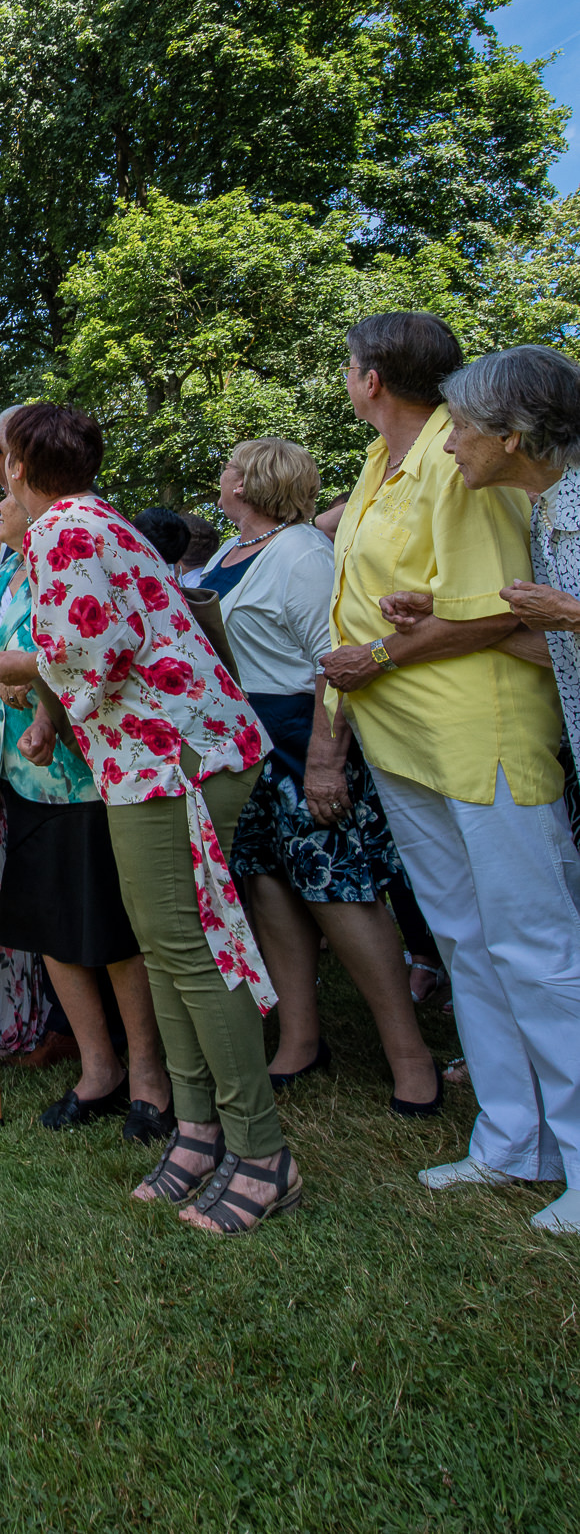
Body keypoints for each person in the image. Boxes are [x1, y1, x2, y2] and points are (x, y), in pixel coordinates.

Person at [6, 402, 299, 1236]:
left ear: (15, 468)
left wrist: (25, 667)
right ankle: (200, 1131)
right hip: (161, 759)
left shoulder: (62, 530)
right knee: (170, 955)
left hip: (172, 759)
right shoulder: (97, 519)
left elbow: (88, 660)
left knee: (194, 955)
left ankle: (263, 1153)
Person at [365, 341, 580, 1234]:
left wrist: (566, 613)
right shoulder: (541, 511)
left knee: (540, 948)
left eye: (469, 428)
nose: (453, 444)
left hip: (497, 743)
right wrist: (443, 616)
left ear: (516, 433)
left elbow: (551, 628)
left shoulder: (566, 507)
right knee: (482, 944)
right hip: (433, 736)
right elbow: (538, 643)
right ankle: (514, 1140)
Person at [200, 438, 439, 1110]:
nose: (221, 475)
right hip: (244, 739)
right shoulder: (226, 552)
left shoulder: (301, 554)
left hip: (303, 738)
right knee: (270, 889)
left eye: (228, 465)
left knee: (339, 893)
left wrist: (326, 762)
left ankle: (409, 1058)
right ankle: (301, 1040)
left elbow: (334, 661)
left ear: (248, 481)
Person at [0, 481, 173, 1134]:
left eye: (6, 497)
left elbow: (89, 659)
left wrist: (49, 717)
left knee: (108, 929)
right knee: (51, 926)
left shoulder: (69, 565)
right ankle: (98, 1069)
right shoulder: (3, 579)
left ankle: (149, 1077)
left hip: (85, 771)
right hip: (22, 778)